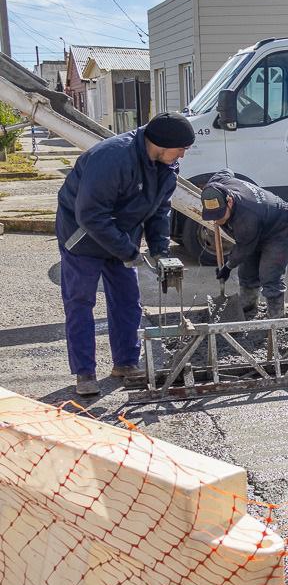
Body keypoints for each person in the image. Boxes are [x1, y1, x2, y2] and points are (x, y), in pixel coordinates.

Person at [55, 112, 195, 396]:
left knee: (127, 300)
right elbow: (90, 215)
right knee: (80, 302)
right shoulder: (112, 158)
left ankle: (126, 364)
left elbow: (159, 209)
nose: (183, 154)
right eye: (181, 148)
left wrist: (159, 250)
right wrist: (128, 250)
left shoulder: (167, 167)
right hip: (81, 237)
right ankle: (85, 372)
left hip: (121, 237)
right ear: (160, 143)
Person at [200, 170, 288, 319]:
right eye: (212, 216)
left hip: (280, 226)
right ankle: (248, 308)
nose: (217, 220)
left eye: (219, 215)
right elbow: (226, 171)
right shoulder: (216, 186)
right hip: (260, 221)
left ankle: (276, 318)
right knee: (247, 272)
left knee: (269, 274)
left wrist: (227, 267)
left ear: (230, 201)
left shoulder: (246, 218)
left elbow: (243, 248)